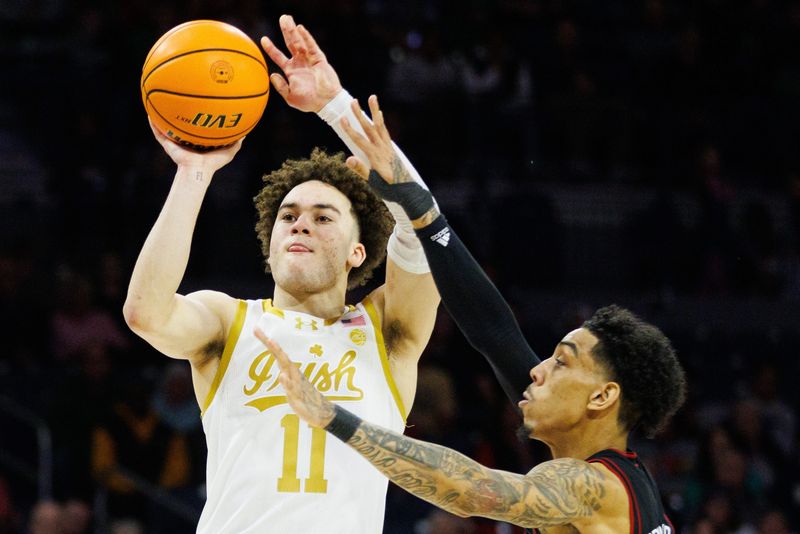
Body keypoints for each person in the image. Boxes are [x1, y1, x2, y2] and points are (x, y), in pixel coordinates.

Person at [254, 95, 688, 533]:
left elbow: (468, 489)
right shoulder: (607, 461)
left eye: (561, 361)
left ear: (601, 397)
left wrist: (333, 417)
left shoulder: (591, 486)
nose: (537, 370)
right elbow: (493, 330)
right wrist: (422, 214)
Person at [123, 15, 440, 533]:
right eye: (288, 216)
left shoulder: (386, 333)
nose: (300, 225)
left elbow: (424, 226)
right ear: (269, 249)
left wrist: (336, 107)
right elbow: (145, 313)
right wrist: (194, 172)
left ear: (357, 252)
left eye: (323, 217)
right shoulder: (230, 322)